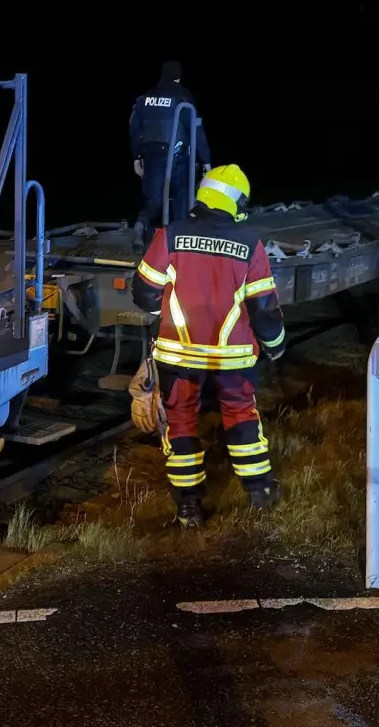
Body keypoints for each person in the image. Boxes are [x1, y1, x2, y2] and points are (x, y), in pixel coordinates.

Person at [130, 164, 287, 528]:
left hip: (177, 357)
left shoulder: (170, 235)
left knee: (181, 422)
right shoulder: (250, 243)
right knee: (241, 417)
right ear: (235, 202)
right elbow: (263, 308)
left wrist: (163, 312)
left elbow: (143, 292)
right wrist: (275, 346)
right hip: (232, 360)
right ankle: (260, 492)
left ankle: (188, 509)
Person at [129, 61, 210, 252]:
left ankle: (142, 223)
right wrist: (206, 160)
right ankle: (178, 239)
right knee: (183, 195)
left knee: (155, 199)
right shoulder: (182, 96)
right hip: (178, 156)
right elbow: (196, 130)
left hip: (151, 156)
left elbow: (134, 129)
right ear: (178, 77)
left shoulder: (144, 98)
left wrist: (136, 157)